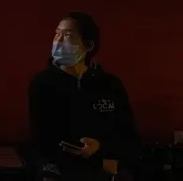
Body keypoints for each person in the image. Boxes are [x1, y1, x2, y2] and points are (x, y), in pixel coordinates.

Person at [28, 11, 139, 181]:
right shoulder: (43, 83)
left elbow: (127, 135)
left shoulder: (110, 85)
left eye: (67, 36)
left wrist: (99, 147)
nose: (58, 41)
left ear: (88, 45)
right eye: (57, 34)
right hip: (60, 171)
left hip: (106, 168)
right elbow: (44, 141)